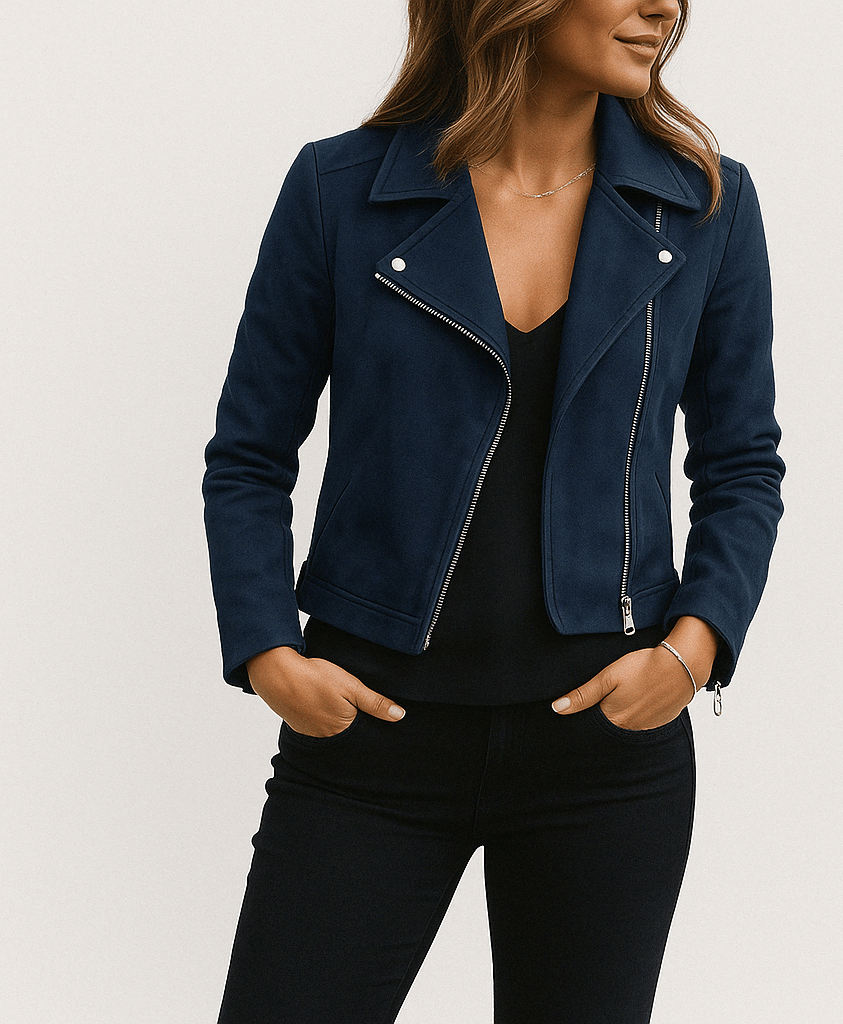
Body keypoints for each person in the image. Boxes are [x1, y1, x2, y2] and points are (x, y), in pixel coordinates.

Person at [202, 0, 785, 1020]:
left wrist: (692, 649)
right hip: (371, 744)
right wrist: (267, 652)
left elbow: (741, 464)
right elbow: (250, 455)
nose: (664, 6)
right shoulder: (341, 191)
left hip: (605, 758)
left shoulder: (703, 206)